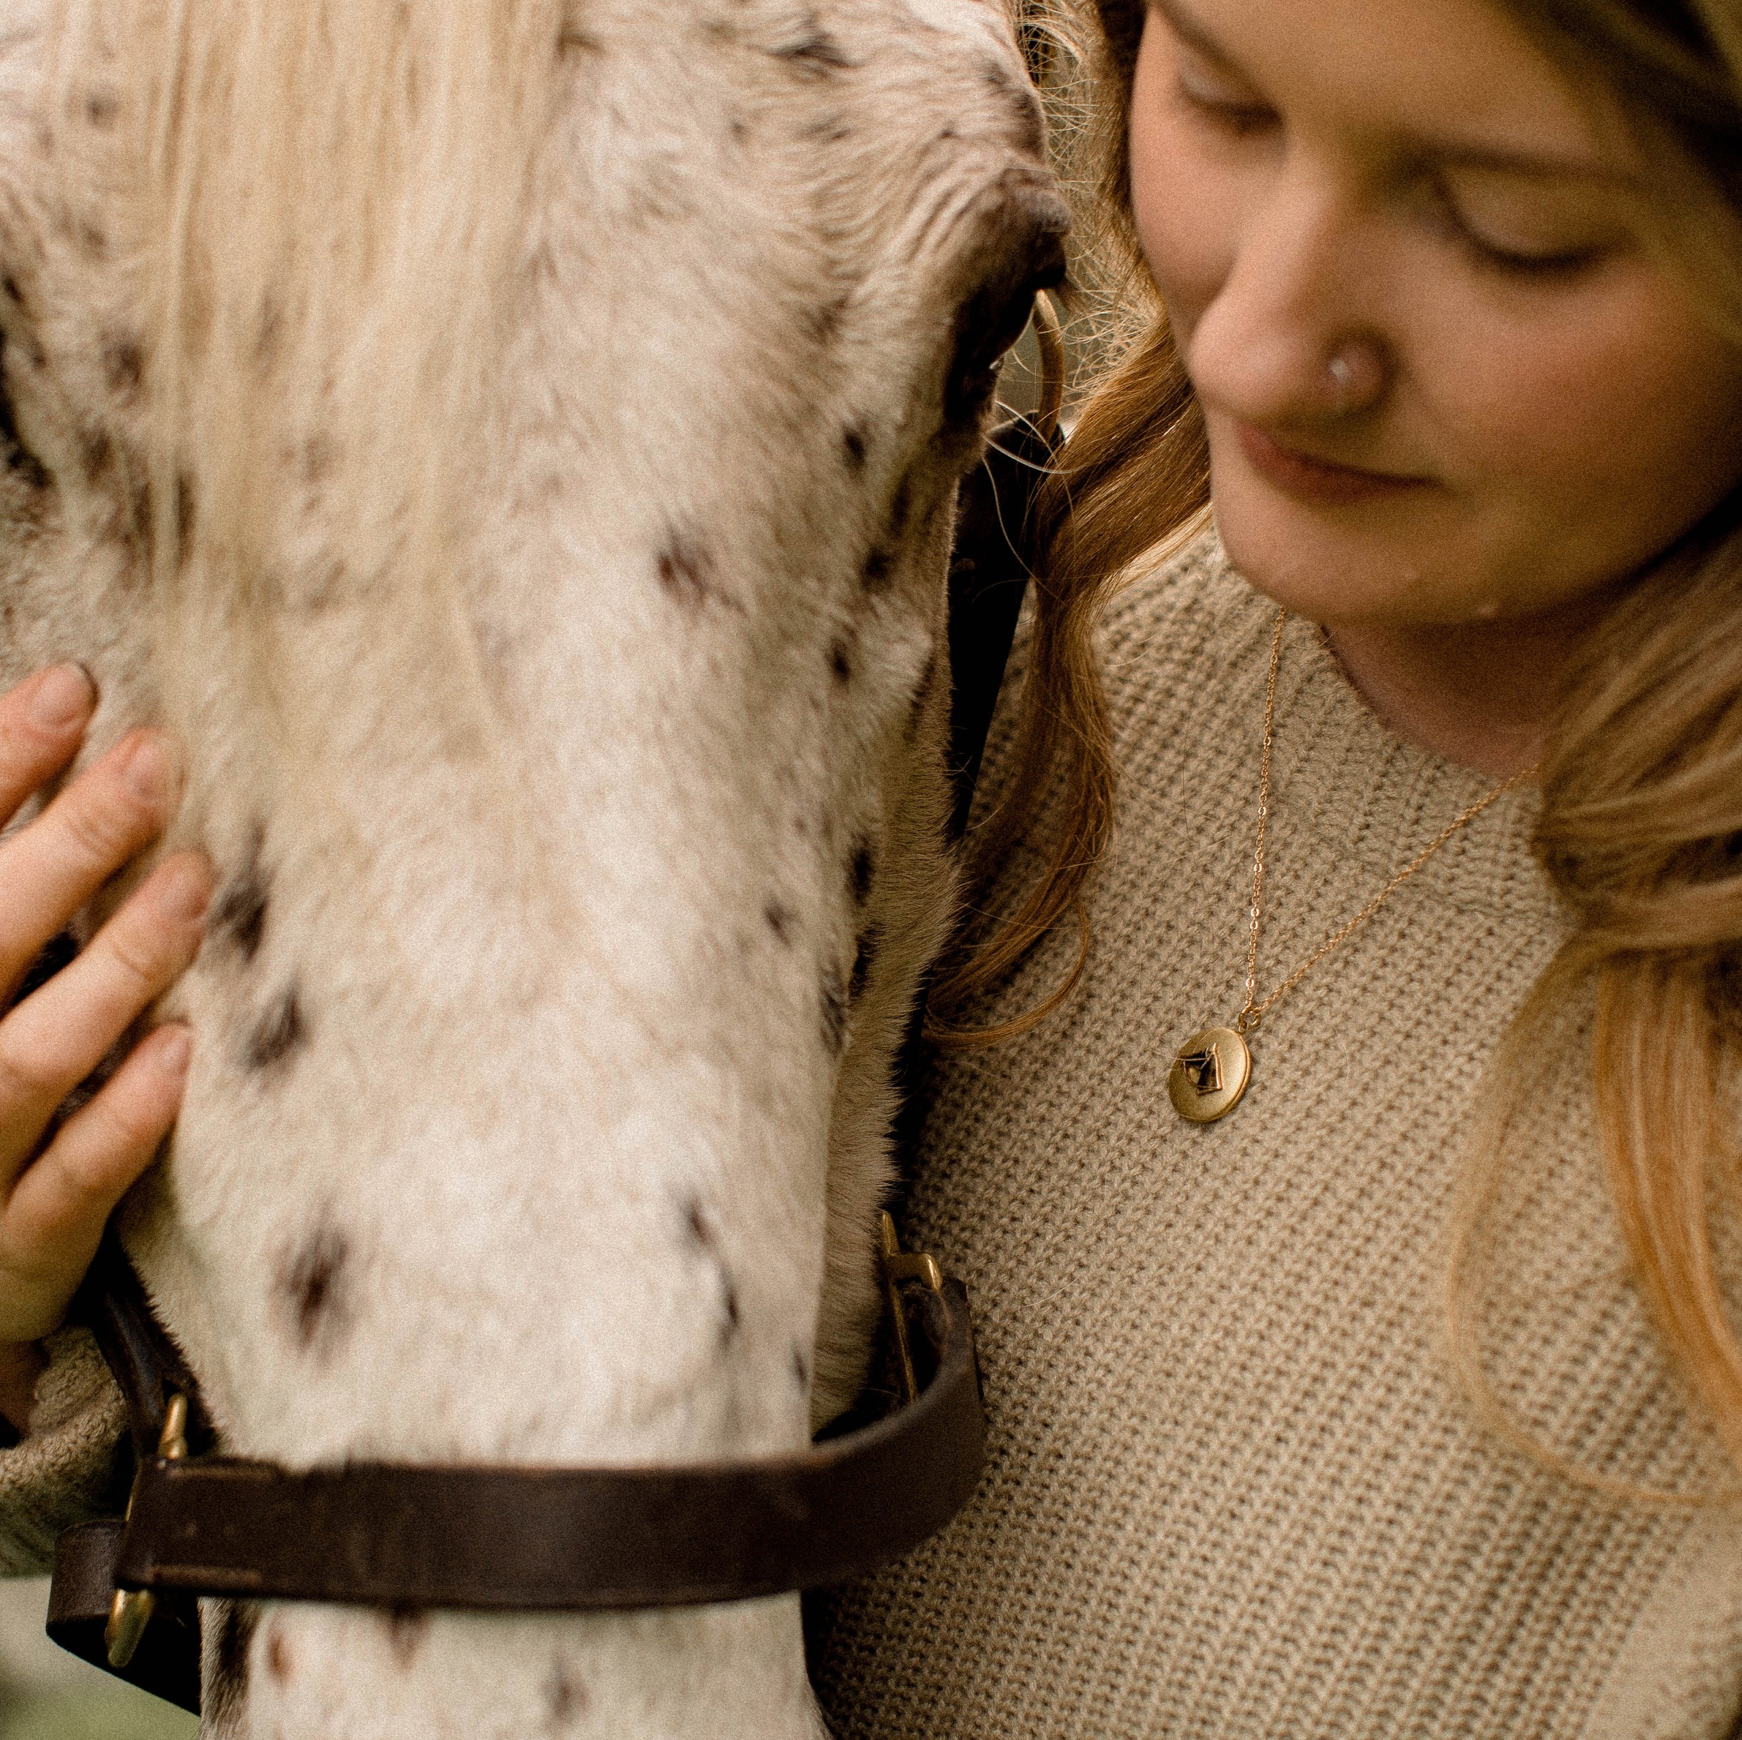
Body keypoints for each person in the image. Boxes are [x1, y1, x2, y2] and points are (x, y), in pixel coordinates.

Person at [0, 0, 1740, 1730]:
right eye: (1221, 102)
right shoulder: (984, 603)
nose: (1254, 349)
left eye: (1514, 233)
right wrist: (47, 1351)